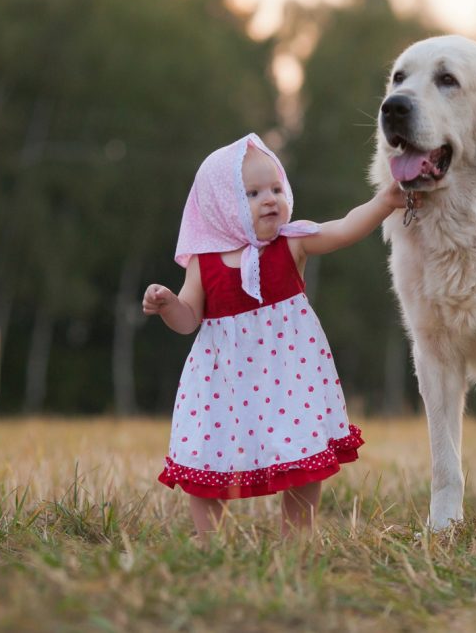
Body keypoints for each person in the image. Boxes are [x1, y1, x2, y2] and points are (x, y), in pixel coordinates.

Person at [143, 133, 413, 536]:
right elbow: (188, 320)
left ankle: (298, 533)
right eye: (252, 193)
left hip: (289, 375)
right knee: (208, 458)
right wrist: (167, 304)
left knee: (303, 452)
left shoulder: (291, 243)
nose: (270, 199)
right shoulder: (204, 262)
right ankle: (207, 540)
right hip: (224, 382)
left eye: (275, 188)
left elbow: (342, 230)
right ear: (220, 206)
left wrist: (383, 203)